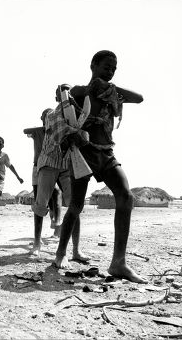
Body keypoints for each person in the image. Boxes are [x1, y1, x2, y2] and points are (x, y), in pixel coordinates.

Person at [54, 50, 146, 284]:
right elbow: (64, 106)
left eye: (114, 68)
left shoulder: (111, 94)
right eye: (106, 67)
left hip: (105, 153)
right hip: (82, 154)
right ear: (93, 65)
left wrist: (110, 87)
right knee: (75, 206)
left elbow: (139, 98)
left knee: (125, 197)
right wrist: (88, 89)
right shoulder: (77, 92)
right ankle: (61, 254)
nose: (110, 71)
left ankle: (118, 262)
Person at [29, 97, 89, 261]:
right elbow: (59, 130)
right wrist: (76, 131)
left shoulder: (78, 117)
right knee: (41, 205)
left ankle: (76, 250)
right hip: (49, 162)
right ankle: (36, 244)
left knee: (74, 206)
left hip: (67, 164)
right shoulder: (51, 114)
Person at [24, 110, 63, 238]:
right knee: (38, 198)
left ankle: (56, 223)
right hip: (37, 166)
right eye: (45, 117)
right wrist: (43, 128)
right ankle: (38, 237)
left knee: (56, 192)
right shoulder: (37, 132)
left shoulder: (57, 129)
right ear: (41, 118)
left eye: (50, 117)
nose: (48, 118)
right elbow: (25, 131)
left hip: (52, 165)